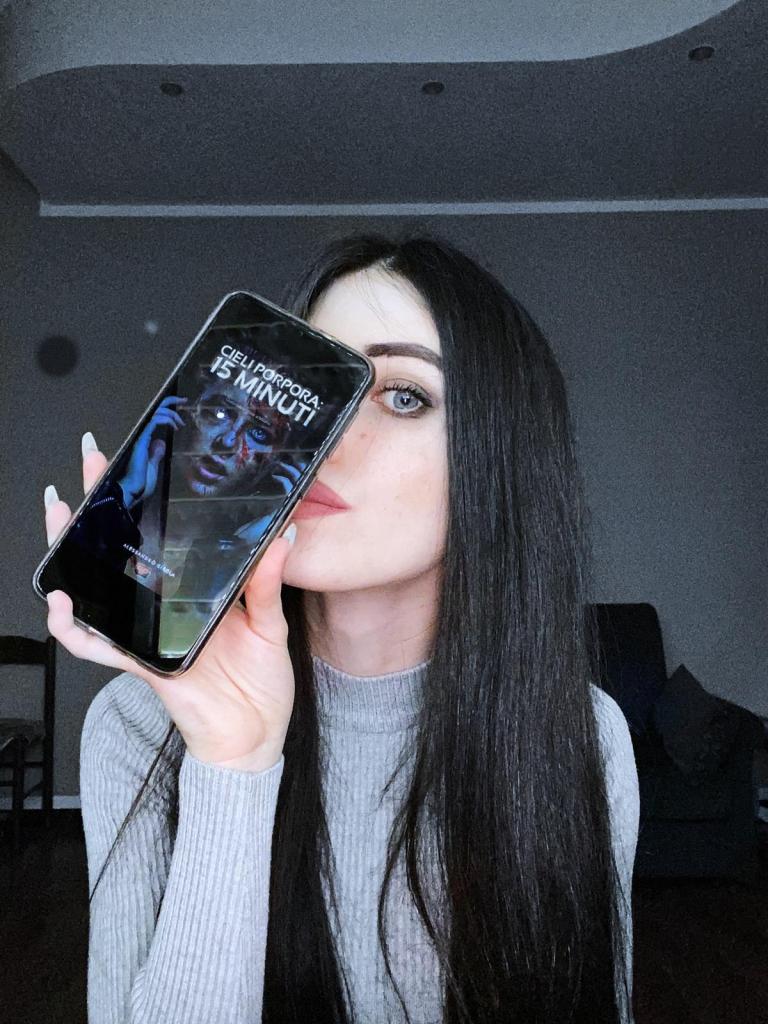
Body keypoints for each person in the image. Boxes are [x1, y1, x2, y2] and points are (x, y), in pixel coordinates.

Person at [42, 230, 640, 1024]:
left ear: (501, 457)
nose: (320, 434)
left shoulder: (585, 737)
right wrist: (233, 767)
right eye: (309, 387)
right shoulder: (137, 728)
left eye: (403, 396)